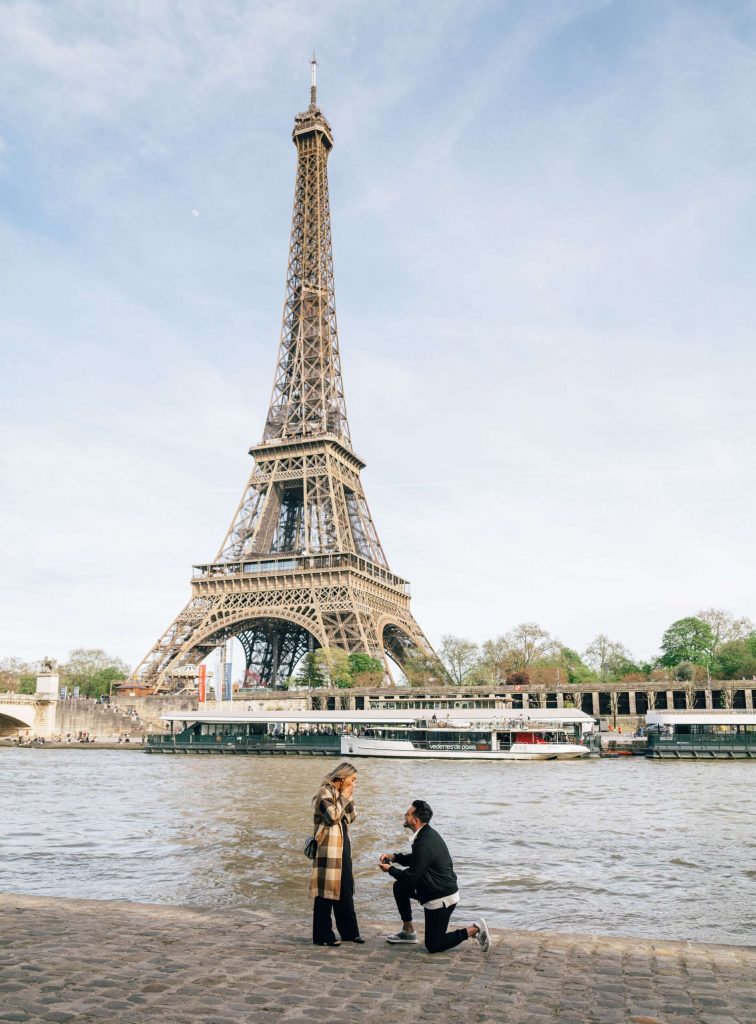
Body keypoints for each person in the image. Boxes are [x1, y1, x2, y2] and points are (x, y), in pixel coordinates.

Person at [378, 799, 491, 955]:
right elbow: (417, 860)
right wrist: (394, 857)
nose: (405, 814)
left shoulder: (424, 842)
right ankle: (408, 932)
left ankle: (475, 929)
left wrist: (390, 869)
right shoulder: (425, 834)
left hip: (441, 897)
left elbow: (411, 877)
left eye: (408, 813)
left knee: (433, 945)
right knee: (400, 887)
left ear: (416, 820)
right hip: (432, 888)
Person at [309, 762, 364, 947]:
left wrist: (348, 798)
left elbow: (351, 817)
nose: (354, 783)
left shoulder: (342, 794)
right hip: (328, 847)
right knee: (326, 892)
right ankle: (322, 935)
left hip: (342, 843)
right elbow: (332, 816)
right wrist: (344, 798)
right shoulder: (325, 792)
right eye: (352, 779)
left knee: (346, 888)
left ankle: (350, 932)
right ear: (342, 778)